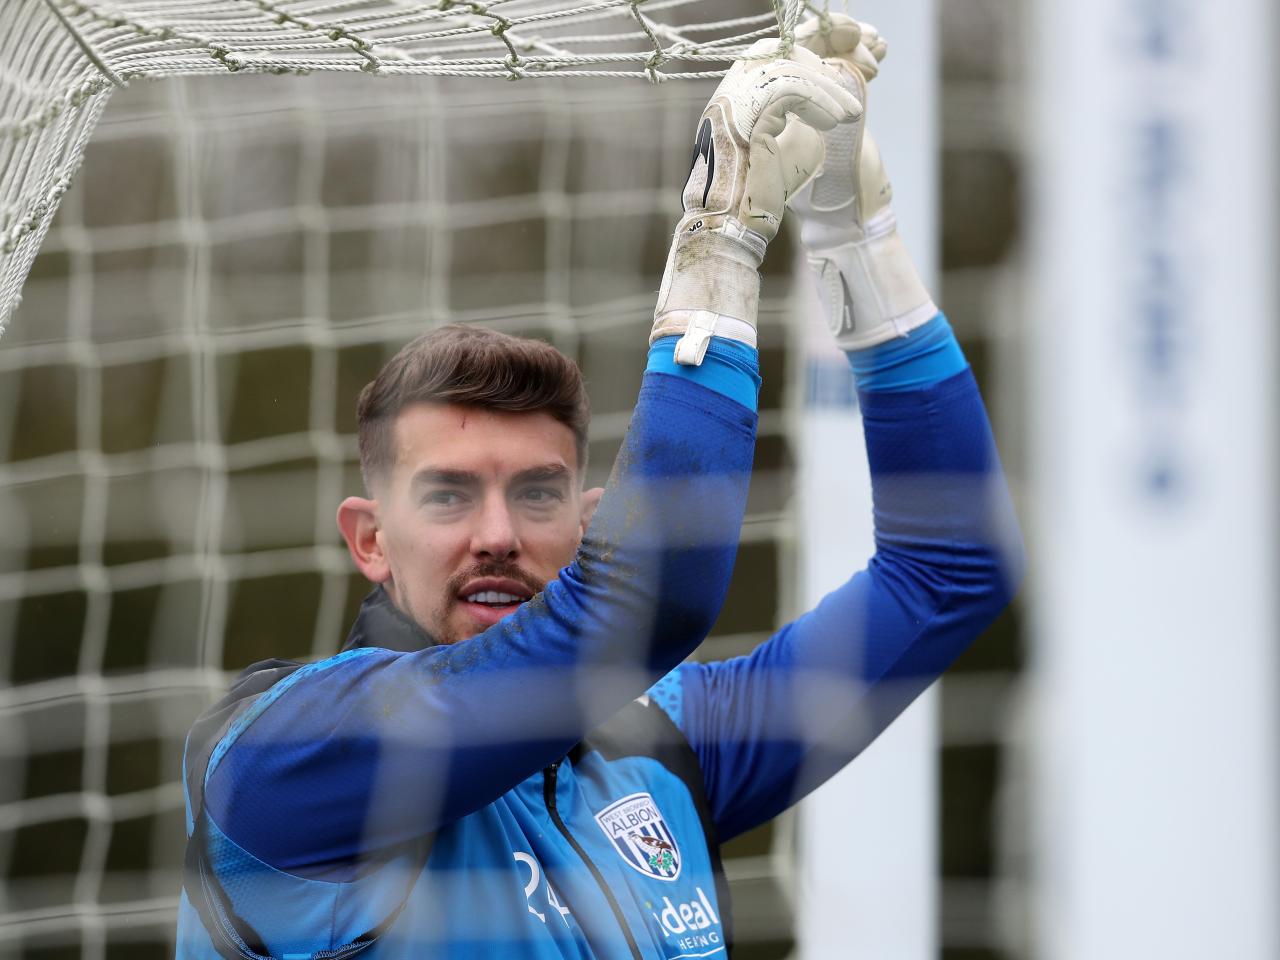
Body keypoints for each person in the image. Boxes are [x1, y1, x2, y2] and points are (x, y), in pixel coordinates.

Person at [177, 16, 1023, 959]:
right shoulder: (288, 753)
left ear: (591, 524)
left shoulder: (660, 748)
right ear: (369, 537)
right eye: (449, 496)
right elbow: (643, 608)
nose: (496, 533)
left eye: (538, 495)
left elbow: (951, 570)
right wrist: (722, 240)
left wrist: (855, 242)